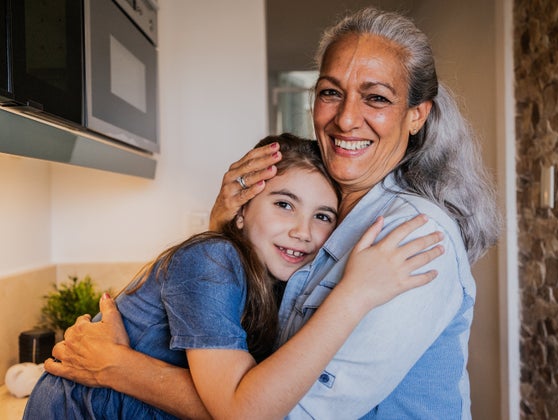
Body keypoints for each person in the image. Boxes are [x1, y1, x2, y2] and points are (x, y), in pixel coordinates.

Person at [46, 7, 501, 419]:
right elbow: (261, 362)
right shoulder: (334, 214)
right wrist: (228, 234)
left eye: (377, 98)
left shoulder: (410, 237)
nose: (345, 119)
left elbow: (286, 413)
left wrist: (120, 368)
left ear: (416, 115)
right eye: (330, 92)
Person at [25, 133, 441, 419]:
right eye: (283, 204)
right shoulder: (213, 258)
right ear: (241, 209)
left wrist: (118, 364)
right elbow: (244, 410)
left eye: (323, 216)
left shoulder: (277, 281)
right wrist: (355, 294)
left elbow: (248, 395)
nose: (303, 230)